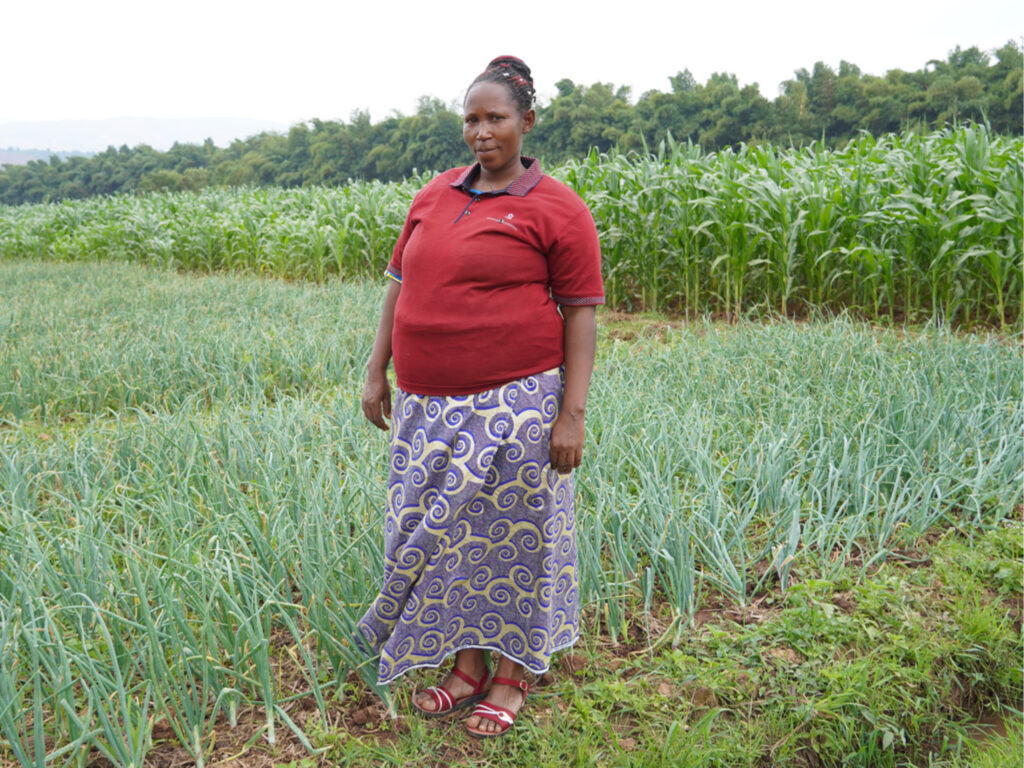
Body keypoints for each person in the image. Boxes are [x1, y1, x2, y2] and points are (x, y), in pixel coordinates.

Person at [357, 55, 604, 738]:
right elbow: (400, 287)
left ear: (526, 122)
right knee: (448, 542)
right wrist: (378, 368)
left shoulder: (558, 208)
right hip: (426, 406)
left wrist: (571, 414)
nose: (482, 131)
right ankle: (465, 667)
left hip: (516, 405)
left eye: (496, 117)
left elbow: (581, 312)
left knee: (516, 544)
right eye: (472, 118)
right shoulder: (435, 194)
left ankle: (512, 676)